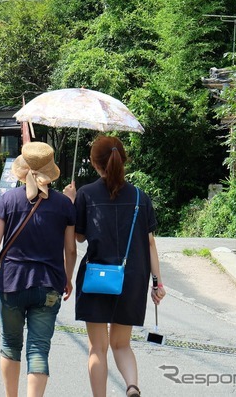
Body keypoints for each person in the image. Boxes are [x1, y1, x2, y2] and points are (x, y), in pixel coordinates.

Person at [0, 142, 77, 397]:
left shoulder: (8, 199)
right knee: (39, 348)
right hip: (50, 284)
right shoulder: (64, 205)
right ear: (50, 170)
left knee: (10, 344)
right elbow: (70, 250)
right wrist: (68, 279)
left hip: (11, 282)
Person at [69, 136, 166, 397]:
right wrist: (157, 282)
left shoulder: (86, 195)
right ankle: (132, 387)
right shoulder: (139, 197)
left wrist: (71, 201)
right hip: (132, 279)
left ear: (93, 162)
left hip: (97, 277)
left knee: (97, 348)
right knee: (121, 345)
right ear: (123, 159)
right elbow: (150, 244)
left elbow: (78, 238)